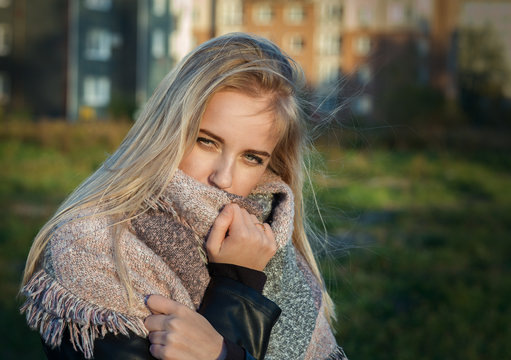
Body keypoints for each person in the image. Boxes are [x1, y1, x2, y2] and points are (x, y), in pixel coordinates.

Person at [20, 33, 347, 359]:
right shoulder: (91, 245)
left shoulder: (272, 248)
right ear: (168, 133)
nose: (223, 178)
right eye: (207, 141)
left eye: (252, 157)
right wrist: (239, 286)